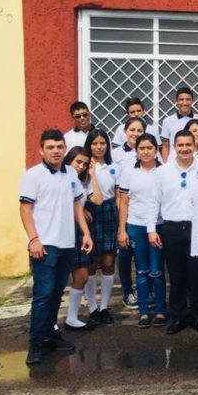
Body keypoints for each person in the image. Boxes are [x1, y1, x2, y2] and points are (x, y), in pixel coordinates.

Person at [19, 129, 92, 365]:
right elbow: (25, 209)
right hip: (45, 245)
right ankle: (36, 343)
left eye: (59, 147)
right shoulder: (33, 175)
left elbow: (77, 205)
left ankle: (50, 335)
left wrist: (86, 233)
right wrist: (33, 239)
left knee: (57, 293)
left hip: (67, 243)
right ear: (41, 150)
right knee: (42, 295)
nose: (56, 151)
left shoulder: (70, 172)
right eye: (50, 147)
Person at [152, 130, 198, 335]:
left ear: (195, 145)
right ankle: (178, 316)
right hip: (172, 227)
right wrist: (151, 229)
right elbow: (154, 201)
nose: (185, 148)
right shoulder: (163, 172)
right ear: (174, 146)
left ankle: (197, 315)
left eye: (189, 144)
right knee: (176, 275)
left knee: (197, 274)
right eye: (181, 145)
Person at [116, 133, 164, 328]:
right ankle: (144, 311)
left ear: (156, 150)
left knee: (157, 271)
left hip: (159, 226)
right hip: (135, 226)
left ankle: (160, 310)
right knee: (142, 271)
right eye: (142, 148)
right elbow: (124, 202)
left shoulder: (164, 171)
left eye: (149, 148)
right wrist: (122, 230)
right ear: (136, 151)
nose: (146, 152)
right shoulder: (129, 172)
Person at [83, 130, 119, 325]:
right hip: (90, 213)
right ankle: (92, 307)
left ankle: (104, 306)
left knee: (107, 262)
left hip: (109, 212)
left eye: (102, 143)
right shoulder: (83, 166)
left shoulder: (114, 166)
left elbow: (119, 194)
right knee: (90, 264)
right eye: (95, 143)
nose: (99, 147)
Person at [62, 146, 98, 331]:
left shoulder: (83, 180)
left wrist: (92, 174)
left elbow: (97, 199)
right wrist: (81, 211)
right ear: (69, 159)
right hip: (60, 230)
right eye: (78, 162)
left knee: (82, 274)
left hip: (79, 230)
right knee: (57, 279)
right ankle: (50, 321)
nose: (81, 166)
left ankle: (71, 317)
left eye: (85, 163)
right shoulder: (61, 176)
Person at [113, 116, 146, 309]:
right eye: (132, 130)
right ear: (125, 131)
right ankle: (127, 290)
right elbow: (118, 191)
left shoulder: (150, 153)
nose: (135, 134)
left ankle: (147, 290)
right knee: (125, 254)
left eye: (139, 131)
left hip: (144, 213)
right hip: (124, 208)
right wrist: (121, 220)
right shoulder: (116, 154)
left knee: (144, 255)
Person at [160, 86, 196, 161]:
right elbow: (165, 147)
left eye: (188, 99)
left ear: (192, 101)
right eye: (181, 99)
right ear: (176, 101)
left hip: (195, 160)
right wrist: (165, 165)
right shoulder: (167, 121)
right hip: (173, 161)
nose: (185, 103)